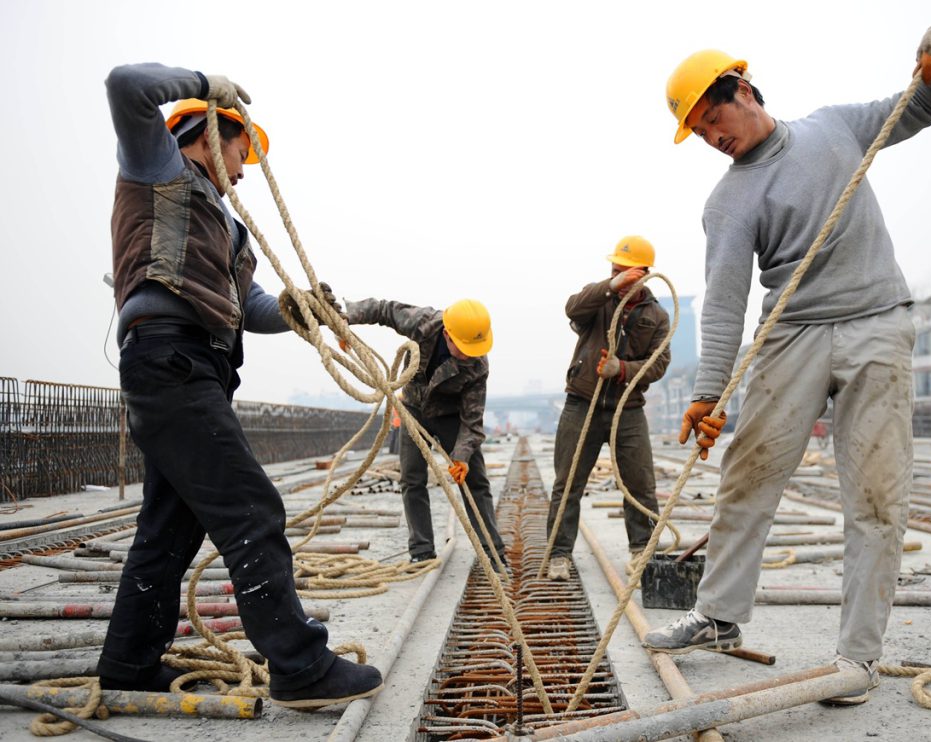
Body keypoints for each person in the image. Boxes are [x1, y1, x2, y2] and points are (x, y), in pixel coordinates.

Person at [643, 25, 931, 707]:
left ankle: (858, 659)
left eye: (714, 117)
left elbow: (923, 108)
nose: (712, 136)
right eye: (699, 132)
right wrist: (708, 392)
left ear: (745, 89)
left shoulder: (835, 129)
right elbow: (725, 305)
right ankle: (719, 617)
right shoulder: (727, 203)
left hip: (878, 320)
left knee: (875, 495)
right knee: (747, 472)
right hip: (792, 335)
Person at [99, 63, 382, 708]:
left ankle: (127, 663)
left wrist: (297, 306)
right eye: (241, 147)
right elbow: (125, 84)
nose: (247, 166)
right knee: (253, 510)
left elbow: (247, 305)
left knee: (168, 530)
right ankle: (300, 666)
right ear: (208, 131)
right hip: (171, 362)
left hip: (189, 369)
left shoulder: (224, 224)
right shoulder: (158, 168)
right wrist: (203, 80)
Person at [343, 297, 506, 568]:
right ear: (447, 334)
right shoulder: (423, 324)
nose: (468, 355)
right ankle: (422, 550)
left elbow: (472, 421)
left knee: (475, 481)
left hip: (451, 417)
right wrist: (347, 319)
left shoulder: (477, 364)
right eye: (463, 349)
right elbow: (384, 311)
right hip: (415, 408)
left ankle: (493, 551)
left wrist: (462, 456)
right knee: (412, 479)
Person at [546, 237, 670, 581]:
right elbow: (572, 308)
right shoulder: (597, 300)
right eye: (614, 270)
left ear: (643, 274)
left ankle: (643, 552)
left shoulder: (657, 316)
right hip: (581, 404)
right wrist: (611, 285)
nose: (617, 276)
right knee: (567, 483)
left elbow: (659, 364)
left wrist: (623, 370)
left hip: (627, 409)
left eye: (624, 271)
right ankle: (558, 554)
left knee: (640, 484)